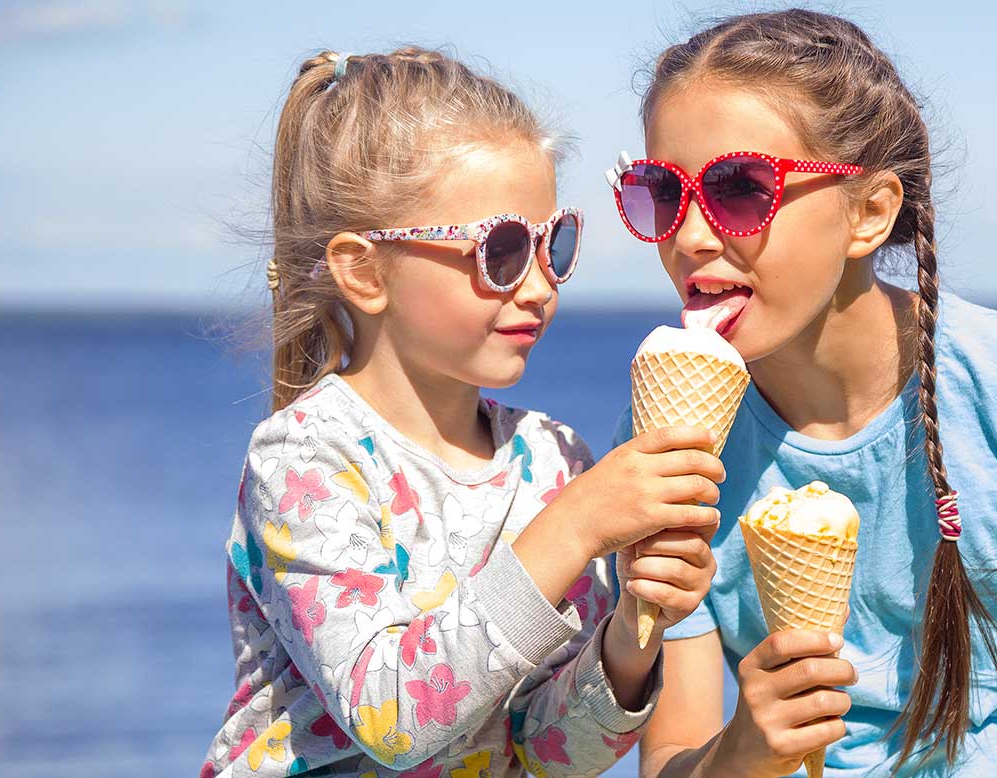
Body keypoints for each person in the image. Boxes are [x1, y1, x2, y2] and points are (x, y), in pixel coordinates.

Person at [608, 11, 997, 776]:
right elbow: (671, 760)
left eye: (739, 189)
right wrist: (744, 750)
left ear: (870, 212)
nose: (688, 236)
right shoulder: (668, 444)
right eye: (660, 192)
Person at [202, 47, 723, 778]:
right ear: (363, 269)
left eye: (555, 245)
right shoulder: (305, 459)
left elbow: (551, 755)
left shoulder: (553, 458)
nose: (541, 286)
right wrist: (572, 528)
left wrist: (632, 636)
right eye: (503, 250)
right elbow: (392, 718)